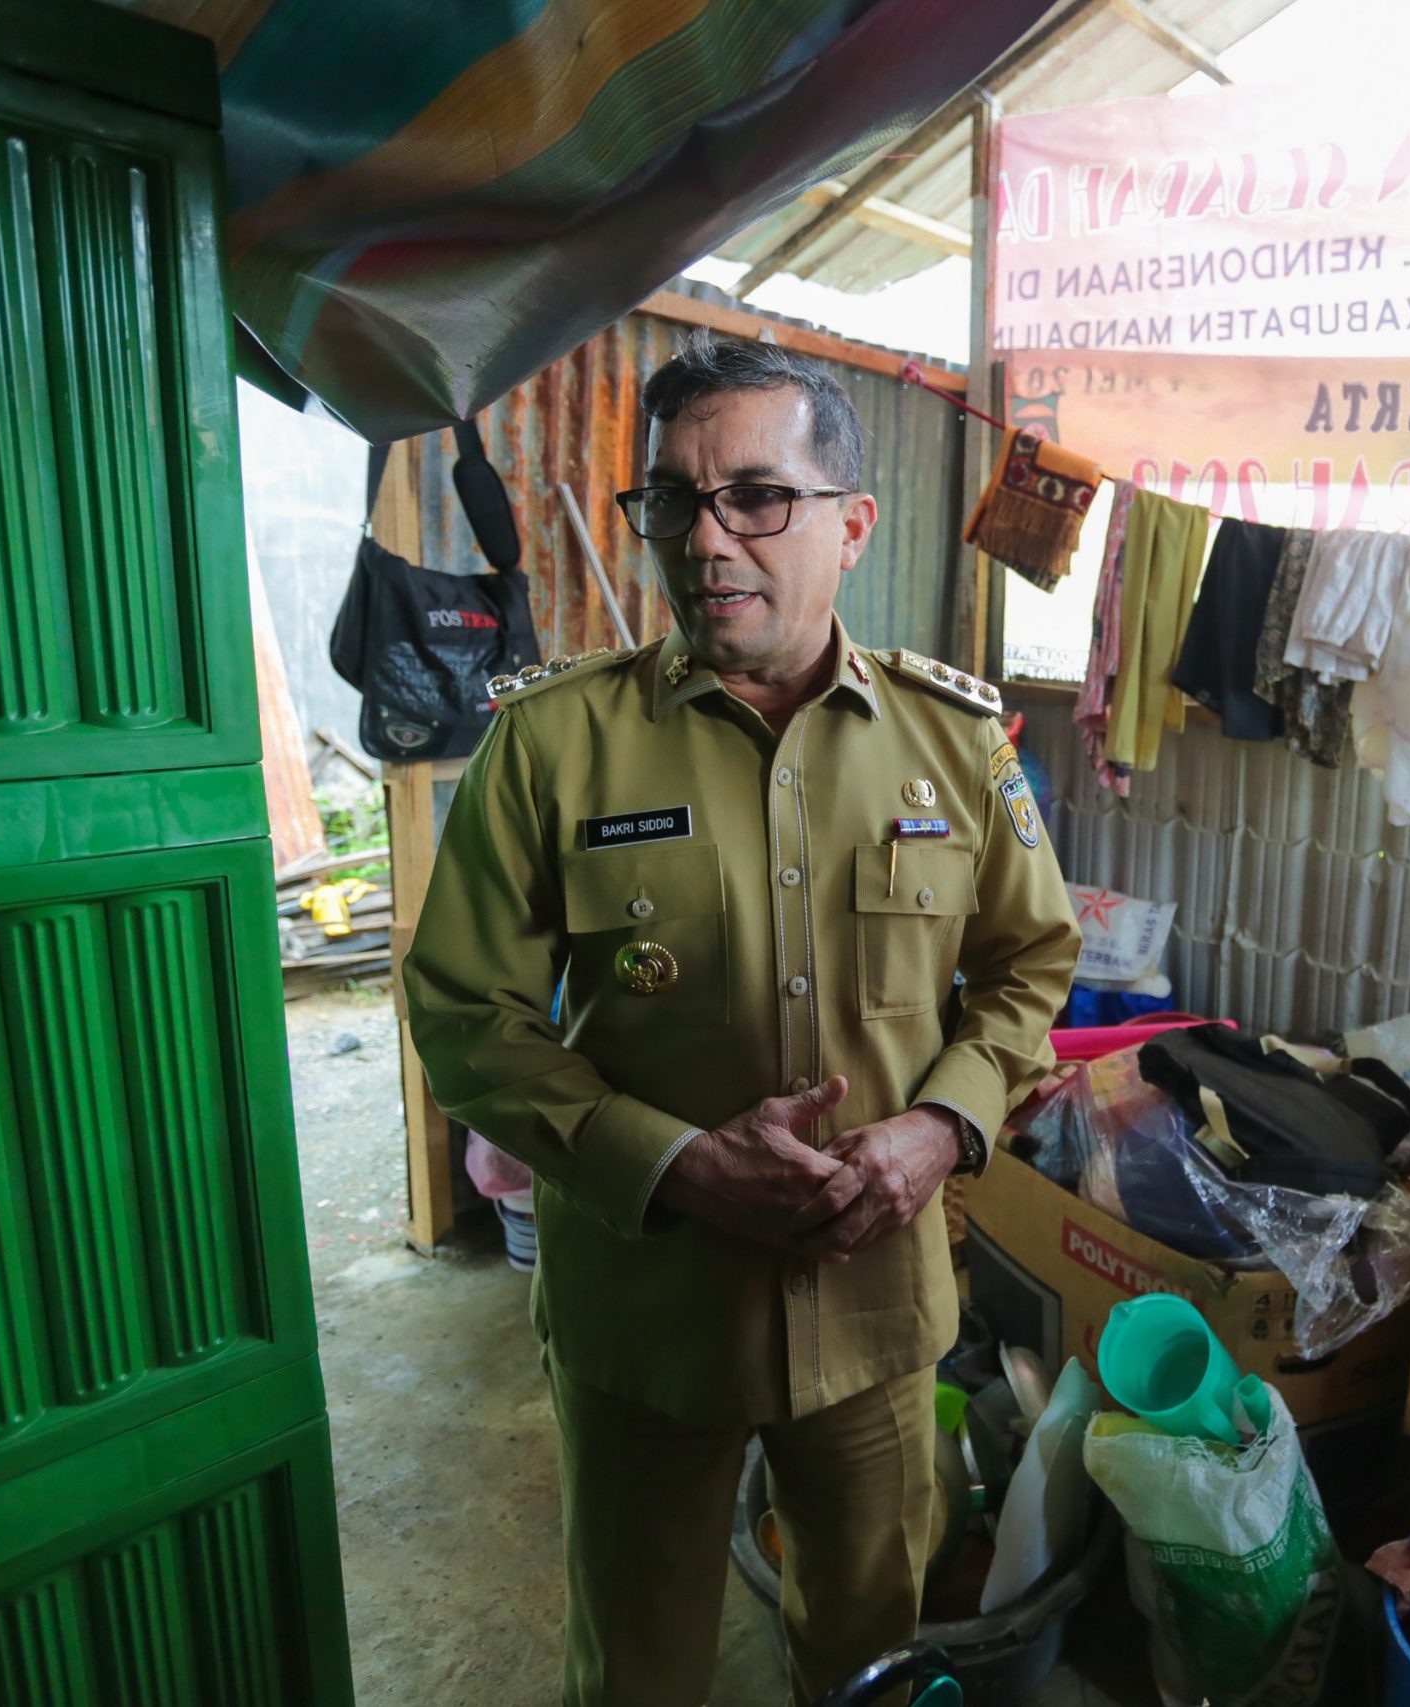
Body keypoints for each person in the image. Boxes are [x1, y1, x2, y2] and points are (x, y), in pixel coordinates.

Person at [403, 338, 1080, 1707]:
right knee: (640, 1667)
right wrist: (674, 1161)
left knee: (867, 1659)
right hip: (648, 1317)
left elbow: (1028, 967)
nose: (706, 542)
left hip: (876, 1306)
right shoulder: (552, 745)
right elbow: (461, 1010)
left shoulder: (956, 745)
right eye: (672, 502)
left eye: (756, 497)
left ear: (851, 525)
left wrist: (943, 1131)